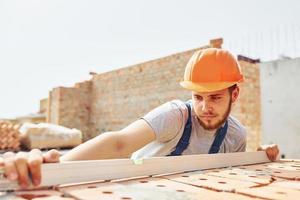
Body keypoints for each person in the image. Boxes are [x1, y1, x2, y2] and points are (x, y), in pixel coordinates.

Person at [0, 48, 279, 188]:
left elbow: (229, 177)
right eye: (198, 97)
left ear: (235, 94)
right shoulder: (176, 115)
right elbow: (118, 143)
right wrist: (52, 168)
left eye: (215, 97)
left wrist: (259, 158)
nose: (204, 106)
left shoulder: (236, 136)